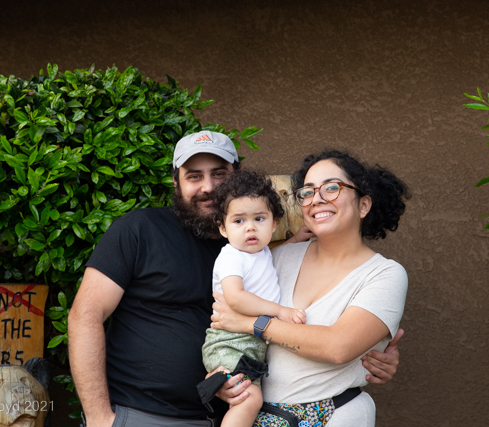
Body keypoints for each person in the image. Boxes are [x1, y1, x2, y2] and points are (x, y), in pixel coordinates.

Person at [68, 131, 402, 427]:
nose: (208, 186)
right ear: (176, 181)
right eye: (194, 176)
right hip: (141, 415)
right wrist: (99, 418)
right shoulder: (140, 230)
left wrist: (367, 353)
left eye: (219, 174)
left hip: (223, 415)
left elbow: (330, 336)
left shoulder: (263, 251)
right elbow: (85, 315)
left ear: (236, 178)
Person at [211, 150, 409, 426]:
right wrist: (219, 375)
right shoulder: (278, 258)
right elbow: (224, 321)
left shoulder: (384, 274)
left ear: (364, 205)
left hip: (334, 415)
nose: (317, 199)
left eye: (331, 188)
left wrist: (253, 323)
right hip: (262, 417)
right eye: (307, 191)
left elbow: (338, 347)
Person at [202, 170, 306, 427]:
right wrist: (279, 311)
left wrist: (294, 241)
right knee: (249, 399)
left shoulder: (260, 253)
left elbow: (267, 259)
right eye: (239, 221)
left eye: (259, 218)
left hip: (250, 343)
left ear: (273, 224)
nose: (250, 227)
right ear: (222, 228)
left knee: (250, 397)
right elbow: (236, 299)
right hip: (231, 342)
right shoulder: (231, 257)